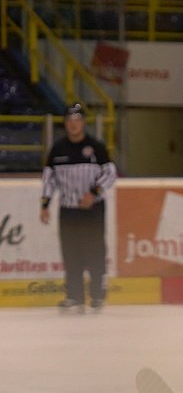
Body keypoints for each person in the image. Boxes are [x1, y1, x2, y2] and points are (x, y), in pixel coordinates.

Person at [39, 103, 117, 314]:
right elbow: (49, 179)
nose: (74, 124)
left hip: (93, 210)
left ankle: (97, 295)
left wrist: (93, 193)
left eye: (78, 120)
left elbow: (110, 174)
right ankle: (74, 296)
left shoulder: (96, 147)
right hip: (68, 210)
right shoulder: (57, 149)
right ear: (65, 124)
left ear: (83, 123)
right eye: (70, 121)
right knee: (71, 253)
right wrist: (45, 204)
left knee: (95, 251)